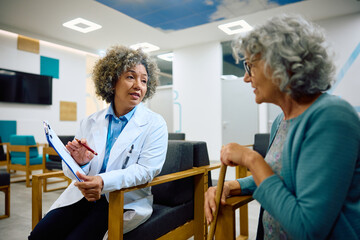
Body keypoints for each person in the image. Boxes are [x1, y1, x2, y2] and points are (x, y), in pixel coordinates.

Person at [205, 14, 360, 240]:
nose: (246, 79)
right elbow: (275, 175)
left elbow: (308, 230)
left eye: (250, 66)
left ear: (282, 65)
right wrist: (231, 186)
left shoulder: (332, 117)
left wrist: (251, 158)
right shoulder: (282, 120)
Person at [29, 45, 168, 240]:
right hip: (83, 197)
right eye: (130, 77)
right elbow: (71, 172)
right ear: (112, 81)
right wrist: (81, 163)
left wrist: (103, 181)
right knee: (39, 236)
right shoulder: (90, 121)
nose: (139, 85)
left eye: (144, 80)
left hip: (121, 200)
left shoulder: (155, 124)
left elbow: (146, 170)